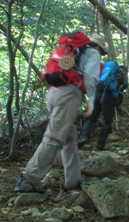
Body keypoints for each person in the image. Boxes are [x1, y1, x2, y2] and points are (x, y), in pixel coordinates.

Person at [15, 33, 108, 193]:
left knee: (69, 134)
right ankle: (29, 178)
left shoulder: (68, 51)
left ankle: (73, 180)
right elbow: (91, 76)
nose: (101, 55)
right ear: (98, 47)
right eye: (102, 52)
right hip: (69, 95)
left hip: (54, 94)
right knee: (55, 136)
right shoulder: (91, 53)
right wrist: (91, 100)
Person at [78, 64, 128, 150]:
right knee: (108, 121)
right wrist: (120, 90)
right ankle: (100, 144)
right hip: (108, 97)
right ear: (125, 71)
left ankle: (84, 137)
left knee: (91, 118)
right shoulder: (122, 74)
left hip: (97, 93)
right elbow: (125, 84)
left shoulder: (108, 71)